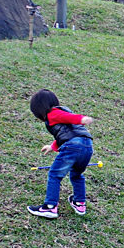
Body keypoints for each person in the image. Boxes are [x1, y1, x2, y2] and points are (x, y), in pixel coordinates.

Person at [27, 89, 94, 218]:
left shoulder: (53, 114)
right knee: (76, 174)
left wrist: (81, 119)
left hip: (73, 146)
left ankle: (50, 207)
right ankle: (79, 203)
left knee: (54, 174)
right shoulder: (61, 112)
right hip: (87, 146)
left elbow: (70, 119)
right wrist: (52, 146)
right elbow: (66, 134)